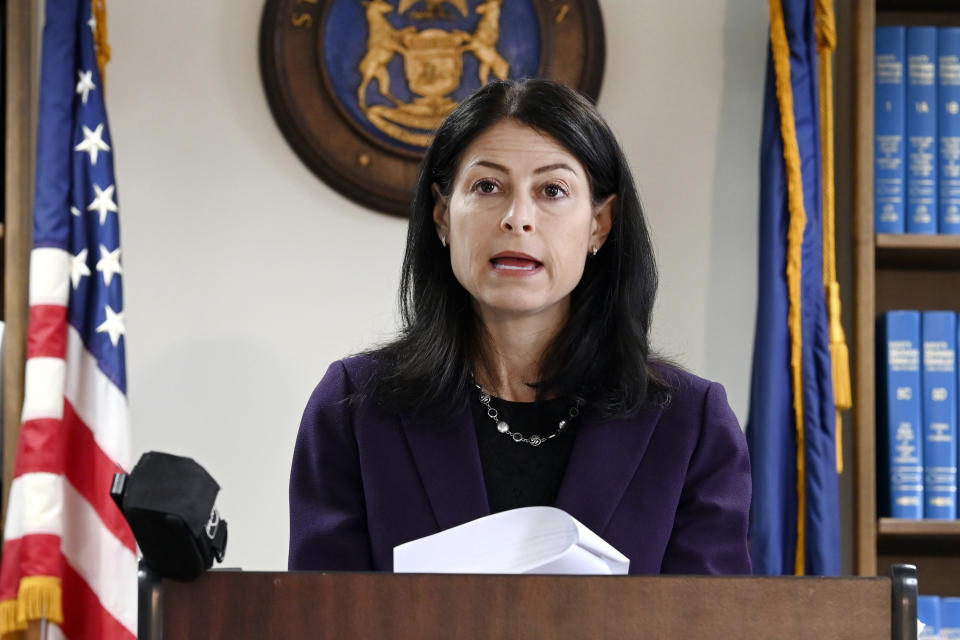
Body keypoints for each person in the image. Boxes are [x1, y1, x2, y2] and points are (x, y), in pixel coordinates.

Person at [289, 79, 751, 574]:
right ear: (443, 216)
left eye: (552, 190)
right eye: (487, 187)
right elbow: (322, 617)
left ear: (600, 223)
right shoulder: (354, 408)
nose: (518, 219)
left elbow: (712, 621)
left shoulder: (690, 423)